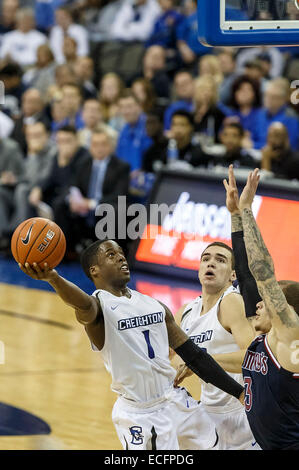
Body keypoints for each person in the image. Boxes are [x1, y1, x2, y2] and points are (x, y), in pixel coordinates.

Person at [18, 238, 245, 450]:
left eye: (120, 253)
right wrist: (54, 279)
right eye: (110, 255)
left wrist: (239, 392)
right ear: (94, 270)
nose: (120, 257)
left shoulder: (155, 305)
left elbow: (194, 356)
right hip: (141, 414)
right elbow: (81, 303)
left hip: (176, 401)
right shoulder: (98, 308)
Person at [222, 164, 299, 450]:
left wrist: (247, 209)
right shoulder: (267, 341)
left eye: (267, 302)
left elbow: (262, 269)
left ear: (285, 311)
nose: (258, 303)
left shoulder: (291, 335)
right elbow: (245, 274)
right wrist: (234, 216)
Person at [174, 239, 257, 450]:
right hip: (208, 414)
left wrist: (200, 363)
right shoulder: (186, 312)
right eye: (206, 259)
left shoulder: (230, 302)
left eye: (220, 260)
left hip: (241, 412)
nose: (211, 263)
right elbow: (164, 358)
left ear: (233, 275)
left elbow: (253, 359)